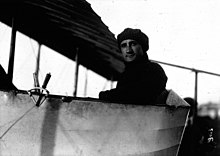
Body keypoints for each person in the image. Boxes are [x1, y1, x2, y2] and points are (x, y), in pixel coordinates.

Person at [99, 28, 168, 105]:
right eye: (124, 45)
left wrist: (107, 95)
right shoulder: (125, 74)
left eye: (133, 44)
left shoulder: (154, 70)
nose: (128, 50)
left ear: (143, 47)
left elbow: (137, 95)